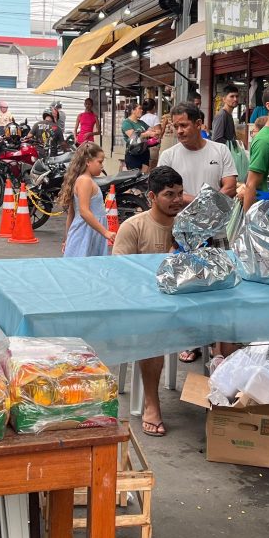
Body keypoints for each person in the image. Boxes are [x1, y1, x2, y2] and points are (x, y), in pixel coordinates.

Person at [112, 166, 187, 436]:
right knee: (154, 329)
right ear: (152, 196)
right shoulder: (133, 227)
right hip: (143, 307)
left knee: (228, 324)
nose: (177, 200)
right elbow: (120, 276)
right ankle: (151, 404)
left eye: (180, 193)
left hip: (183, 304)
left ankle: (225, 405)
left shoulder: (188, 226)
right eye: (169, 194)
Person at [157, 103, 237, 201]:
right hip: (182, 211)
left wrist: (208, 205)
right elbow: (163, 191)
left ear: (198, 124)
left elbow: (230, 187)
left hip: (215, 210)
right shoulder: (168, 156)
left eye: (183, 125)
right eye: (176, 126)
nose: (179, 131)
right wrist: (201, 204)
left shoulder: (221, 150)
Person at [59, 142, 114, 258]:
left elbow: (71, 213)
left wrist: (67, 238)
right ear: (88, 162)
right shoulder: (85, 181)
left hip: (91, 232)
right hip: (85, 233)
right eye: (99, 162)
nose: (102, 166)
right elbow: (83, 211)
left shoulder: (86, 180)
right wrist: (105, 232)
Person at [121, 103, 160, 173]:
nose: (142, 110)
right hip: (133, 153)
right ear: (133, 111)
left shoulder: (141, 122)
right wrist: (147, 134)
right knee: (134, 175)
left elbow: (152, 130)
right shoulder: (126, 123)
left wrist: (155, 132)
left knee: (144, 175)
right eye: (139, 108)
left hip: (144, 152)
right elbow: (133, 136)